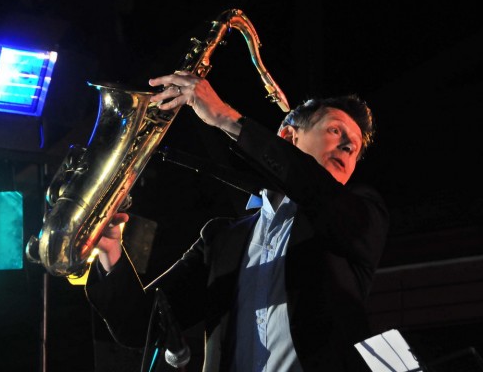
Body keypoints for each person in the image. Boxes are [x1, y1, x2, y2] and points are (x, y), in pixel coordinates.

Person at [85, 69, 390, 371]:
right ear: (288, 136)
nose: (348, 146)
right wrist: (111, 252)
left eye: (354, 147)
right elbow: (141, 326)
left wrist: (226, 118)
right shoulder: (220, 239)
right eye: (335, 130)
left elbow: (315, 190)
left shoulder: (362, 214)